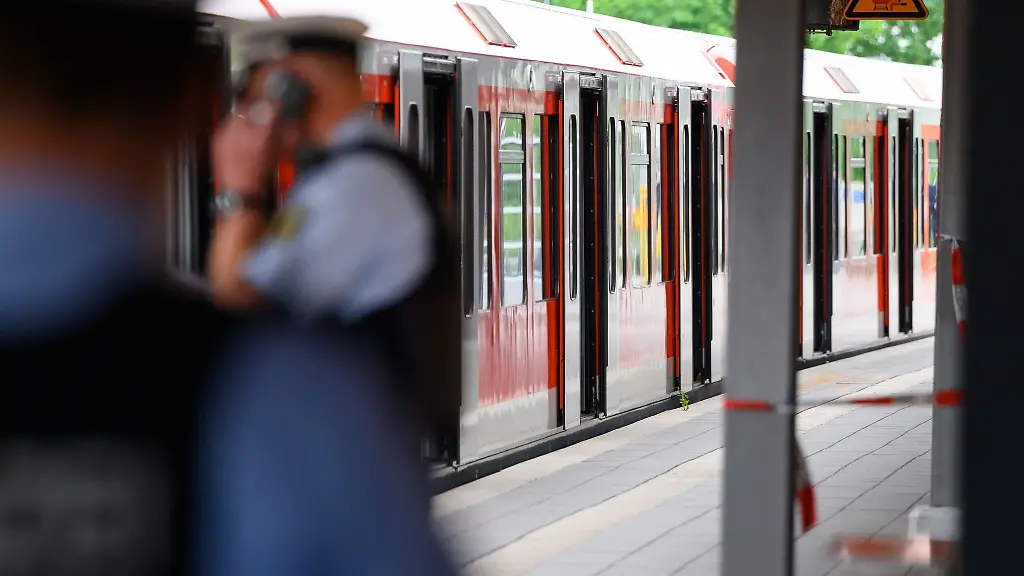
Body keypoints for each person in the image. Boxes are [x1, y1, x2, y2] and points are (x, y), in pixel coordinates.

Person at [0, 3, 453, 575]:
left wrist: (242, 189)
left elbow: (238, 286)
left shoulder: (357, 187)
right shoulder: (285, 389)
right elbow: (237, 296)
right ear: (191, 94)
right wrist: (239, 188)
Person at [206, 16, 461, 457]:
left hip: (355, 454)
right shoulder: (366, 171)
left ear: (293, 86)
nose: (254, 112)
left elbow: (239, 295)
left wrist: (240, 191)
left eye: (258, 95)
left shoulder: (354, 186)